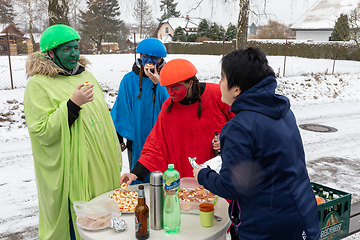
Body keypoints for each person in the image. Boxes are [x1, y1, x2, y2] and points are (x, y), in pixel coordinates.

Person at [193, 47, 321, 240]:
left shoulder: (239, 127)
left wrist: (202, 174)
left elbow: (232, 186)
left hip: (269, 228)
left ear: (236, 88)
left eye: (222, 78)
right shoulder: (283, 112)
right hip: (303, 217)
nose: (218, 83)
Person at [24, 24, 122, 240]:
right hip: (72, 170)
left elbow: (102, 118)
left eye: (76, 47)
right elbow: (41, 130)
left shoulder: (85, 75)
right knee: (79, 221)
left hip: (99, 164)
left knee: (103, 218)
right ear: (51, 53)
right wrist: (71, 106)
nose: (74, 53)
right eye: (66, 49)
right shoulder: (38, 85)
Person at [119, 58, 233, 185]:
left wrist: (227, 138)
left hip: (216, 174)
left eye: (176, 87)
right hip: (182, 177)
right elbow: (156, 144)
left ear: (190, 83)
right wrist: (135, 173)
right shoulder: (169, 106)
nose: (170, 93)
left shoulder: (216, 94)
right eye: (167, 88)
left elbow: (241, 122)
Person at [111, 38, 169, 184]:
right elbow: (121, 110)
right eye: (145, 56)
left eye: (154, 57)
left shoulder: (168, 78)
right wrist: (120, 138)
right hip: (137, 138)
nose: (149, 60)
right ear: (140, 56)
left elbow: (171, 105)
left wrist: (159, 83)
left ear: (160, 59)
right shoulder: (129, 80)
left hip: (164, 138)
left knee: (163, 179)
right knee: (139, 177)